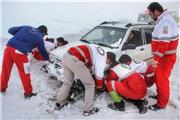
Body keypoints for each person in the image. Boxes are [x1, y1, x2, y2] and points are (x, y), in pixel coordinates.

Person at [55, 44, 116, 116]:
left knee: (67, 82)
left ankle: (59, 102)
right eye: (109, 63)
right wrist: (99, 86)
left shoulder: (99, 50)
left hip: (66, 56)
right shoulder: (103, 59)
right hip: (75, 60)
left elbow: (88, 59)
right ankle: (88, 109)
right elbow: (99, 76)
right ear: (109, 59)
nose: (107, 64)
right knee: (90, 85)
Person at [0, 25, 49, 99]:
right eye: (44, 35)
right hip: (20, 53)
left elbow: (10, 30)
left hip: (8, 48)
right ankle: (28, 93)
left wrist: (22, 36)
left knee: (5, 70)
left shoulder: (27, 27)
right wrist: (47, 58)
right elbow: (43, 51)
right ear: (43, 33)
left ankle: (2, 89)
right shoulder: (39, 37)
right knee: (25, 73)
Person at [147, 2, 178, 111]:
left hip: (165, 58)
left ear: (156, 11)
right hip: (163, 57)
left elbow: (164, 43)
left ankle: (161, 104)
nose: (150, 16)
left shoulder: (165, 22)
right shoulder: (163, 20)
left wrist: (156, 59)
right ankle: (160, 97)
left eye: (150, 14)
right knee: (158, 78)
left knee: (162, 81)